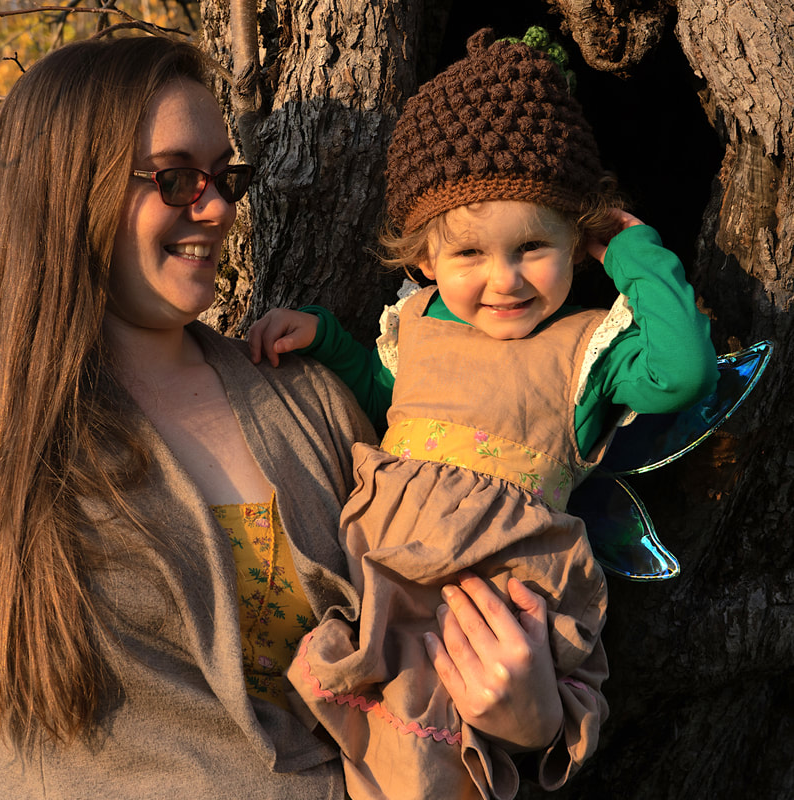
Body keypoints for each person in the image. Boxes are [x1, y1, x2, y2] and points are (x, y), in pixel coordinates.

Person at [0, 33, 566, 798]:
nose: (214, 209)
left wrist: (527, 723)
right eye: (174, 180)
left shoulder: (310, 403)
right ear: (67, 188)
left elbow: (419, 690)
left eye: (223, 177)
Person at [249, 27, 719, 800]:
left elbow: (684, 372)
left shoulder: (583, 353)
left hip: (494, 597)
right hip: (388, 575)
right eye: (469, 254)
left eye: (534, 245)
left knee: (448, 753)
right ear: (425, 259)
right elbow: (392, 405)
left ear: (577, 237)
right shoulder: (417, 323)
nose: (503, 280)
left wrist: (629, 247)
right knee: (364, 737)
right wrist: (328, 341)